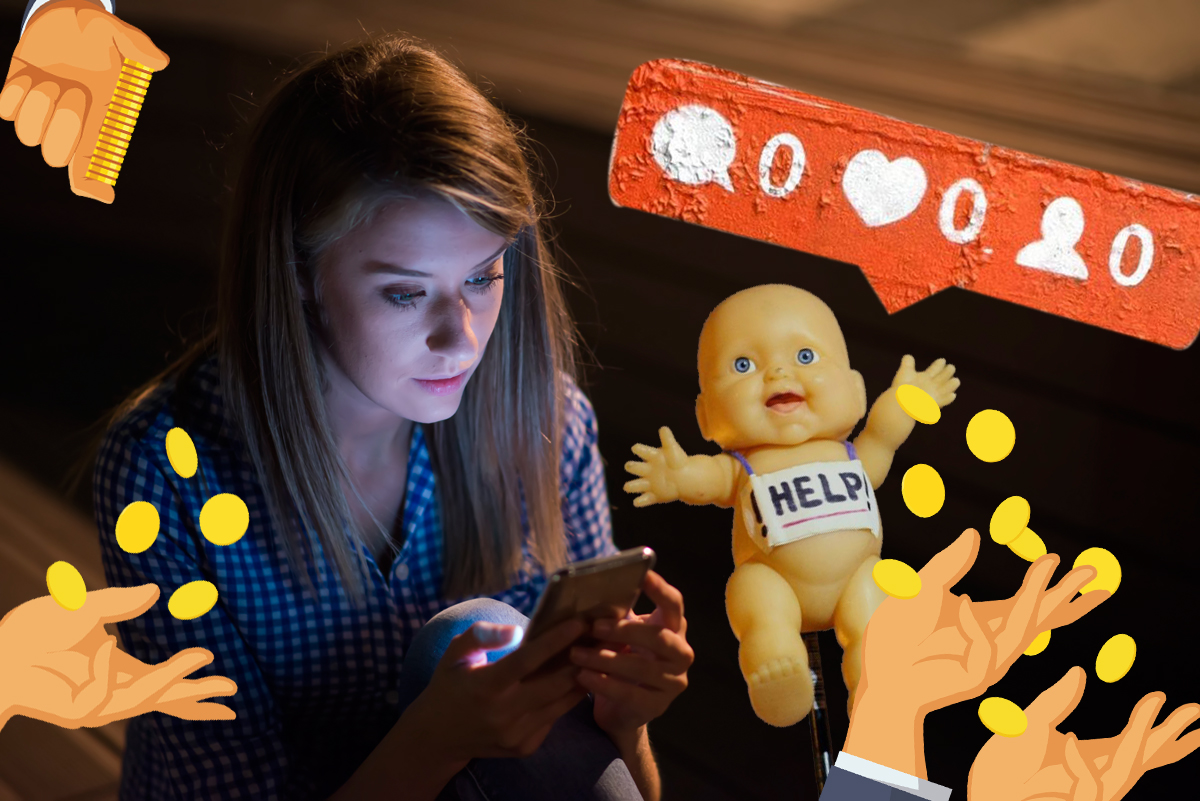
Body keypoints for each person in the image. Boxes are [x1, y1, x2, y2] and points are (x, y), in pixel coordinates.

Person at [88, 35, 692, 800]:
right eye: (405, 293)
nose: (462, 337)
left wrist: (625, 719)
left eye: (484, 276)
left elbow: (606, 783)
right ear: (299, 274)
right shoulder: (168, 474)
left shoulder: (544, 422)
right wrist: (434, 741)